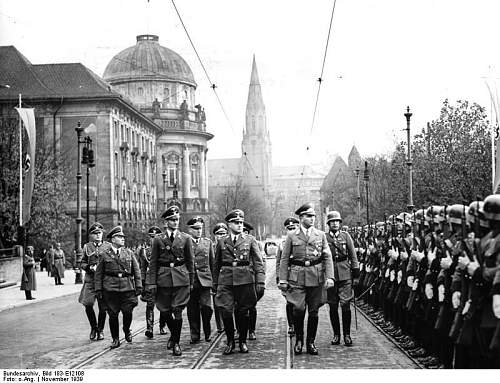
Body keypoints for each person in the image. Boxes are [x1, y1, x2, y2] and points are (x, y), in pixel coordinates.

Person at [278, 203, 335, 355]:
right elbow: (284, 259)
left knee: (314, 312)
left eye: (314, 216)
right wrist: (283, 279)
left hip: (316, 277)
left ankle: (310, 342)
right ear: (301, 217)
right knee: (298, 309)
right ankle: (299, 340)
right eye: (309, 216)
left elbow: (327, 257)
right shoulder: (292, 236)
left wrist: (330, 277)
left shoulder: (320, 235)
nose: (312, 218)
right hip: (297, 277)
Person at [213, 209, 266, 355]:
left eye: (241, 223)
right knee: (226, 311)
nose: (240, 225)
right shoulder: (222, 241)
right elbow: (216, 264)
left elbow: (258, 262)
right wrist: (215, 284)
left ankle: (242, 341)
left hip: (245, 280)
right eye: (236, 223)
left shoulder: (250, 240)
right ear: (229, 224)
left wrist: (260, 281)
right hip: (226, 281)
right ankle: (230, 341)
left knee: (243, 312)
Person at [145, 205, 194, 356]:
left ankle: (176, 343)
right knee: (164, 311)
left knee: (178, 310)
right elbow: (153, 263)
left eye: (177, 219)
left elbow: (190, 261)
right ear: (166, 222)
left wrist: (191, 281)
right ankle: (173, 336)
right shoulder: (158, 240)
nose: (175, 222)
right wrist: (152, 282)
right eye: (172, 220)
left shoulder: (185, 238)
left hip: (181, 278)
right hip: (163, 278)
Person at [95, 226, 142, 349]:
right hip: (110, 289)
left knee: (128, 312)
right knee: (113, 315)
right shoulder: (104, 254)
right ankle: (115, 339)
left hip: (127, 288)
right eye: (120, 237)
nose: (123, 239)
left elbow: (136, 271)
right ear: (113, 239)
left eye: (123, 237)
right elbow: (98, 273)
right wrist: (98, 289)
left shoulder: (129, 253)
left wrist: (139, 286)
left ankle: (126, 329)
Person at [325, 211, 359, 347]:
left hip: (345, 274)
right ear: (328, 224)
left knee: (345, 305)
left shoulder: (346, 236)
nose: (335, 223)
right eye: (332, 221)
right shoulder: (324, 237)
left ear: (340, 223)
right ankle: (336, 335)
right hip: (331, 275)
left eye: (337, 221)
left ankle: (347, 335)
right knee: (333, 305)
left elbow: (353, 256)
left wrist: (356, 275)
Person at [78, 223, 109, 341]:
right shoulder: (87, 247)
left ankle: (100, 330)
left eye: (99, 233)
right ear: (91, 235)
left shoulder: (108, 246)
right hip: (90, 280)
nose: (97, 236)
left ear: (102, 234)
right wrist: (89, 268)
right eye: (95, 234)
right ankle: (93, 327)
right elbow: (82, 262)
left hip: (103, 281)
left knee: (103, 307)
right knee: (88, 304)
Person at [186, 216, 215, 343]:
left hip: (205, 280)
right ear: (190, 230)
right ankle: (195, 334)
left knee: (206, 307)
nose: (199, 231)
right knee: (192, 309)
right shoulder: (185, 243)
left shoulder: (207, 242)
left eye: (200, 228)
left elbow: (212, 263)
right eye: (196, 229)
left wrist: (214, 281)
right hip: (191, 281)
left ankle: (207, 332)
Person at [138, 226, 166, 339]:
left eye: (155, 237)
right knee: (150, 305)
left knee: (164, 305)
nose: (153, 239)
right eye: (151, 237)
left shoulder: (164, 250)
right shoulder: (145, 251)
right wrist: (143, 282)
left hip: (163, 280)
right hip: (150, 281)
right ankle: (149, 328)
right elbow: (143, 268)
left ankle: (162, 325)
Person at [277, 217, 300, 335]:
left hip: (298, 276)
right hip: (287, 276)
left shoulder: (301, 241)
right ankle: (291, 325)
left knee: (300, 304)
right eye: (289, 229)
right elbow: (279, 262)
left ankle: (297, 323)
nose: (291, 230)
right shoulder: (282, 244)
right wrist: (280, 277)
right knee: (289, 302)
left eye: (294, 228)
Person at [243, 221, 264, 341]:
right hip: (240, 279)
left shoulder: (254, 243)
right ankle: (241, 331)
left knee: (251, 306)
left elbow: (260, 263)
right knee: (239, 307)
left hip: (252, 278)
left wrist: (260, 281)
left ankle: (251, 330)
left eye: (246, 232)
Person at [212, 223, 228, 334]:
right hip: (215, 278)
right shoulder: (210, 246)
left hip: (226, 277)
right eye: (218, 234)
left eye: (223, 233)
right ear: (214, 235)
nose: (220, 236)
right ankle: (220, 326)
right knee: (217, 303)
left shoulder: (228, 246)